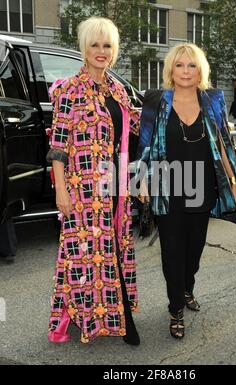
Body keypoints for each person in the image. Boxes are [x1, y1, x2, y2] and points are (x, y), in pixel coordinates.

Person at [138, 43, 236, 340]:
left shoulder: (212, 100)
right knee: (172, 253)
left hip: (203, 188)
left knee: (194, 251)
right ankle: (175, 309)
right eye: (179, 65)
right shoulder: (154, 101)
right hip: (167, 187)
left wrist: (234, 184)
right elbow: (145, 146)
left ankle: (187, 288)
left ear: (200, 69)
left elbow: (224, 145)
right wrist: (141, 182)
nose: (186, 71)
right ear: (170, 70)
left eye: (192, 65)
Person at [46, 17, 140, 345]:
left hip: (114, 187)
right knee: (83, 256)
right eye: (95, 44)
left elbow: (137, 129)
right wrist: (61, 191)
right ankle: (94, 319)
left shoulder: (118, 90)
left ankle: (114, 316)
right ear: (84, 48)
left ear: (115, 51)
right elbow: (57, 147)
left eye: (108, 45)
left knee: (114, 247)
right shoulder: (68, 89)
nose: (101, 51)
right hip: (81, 190)